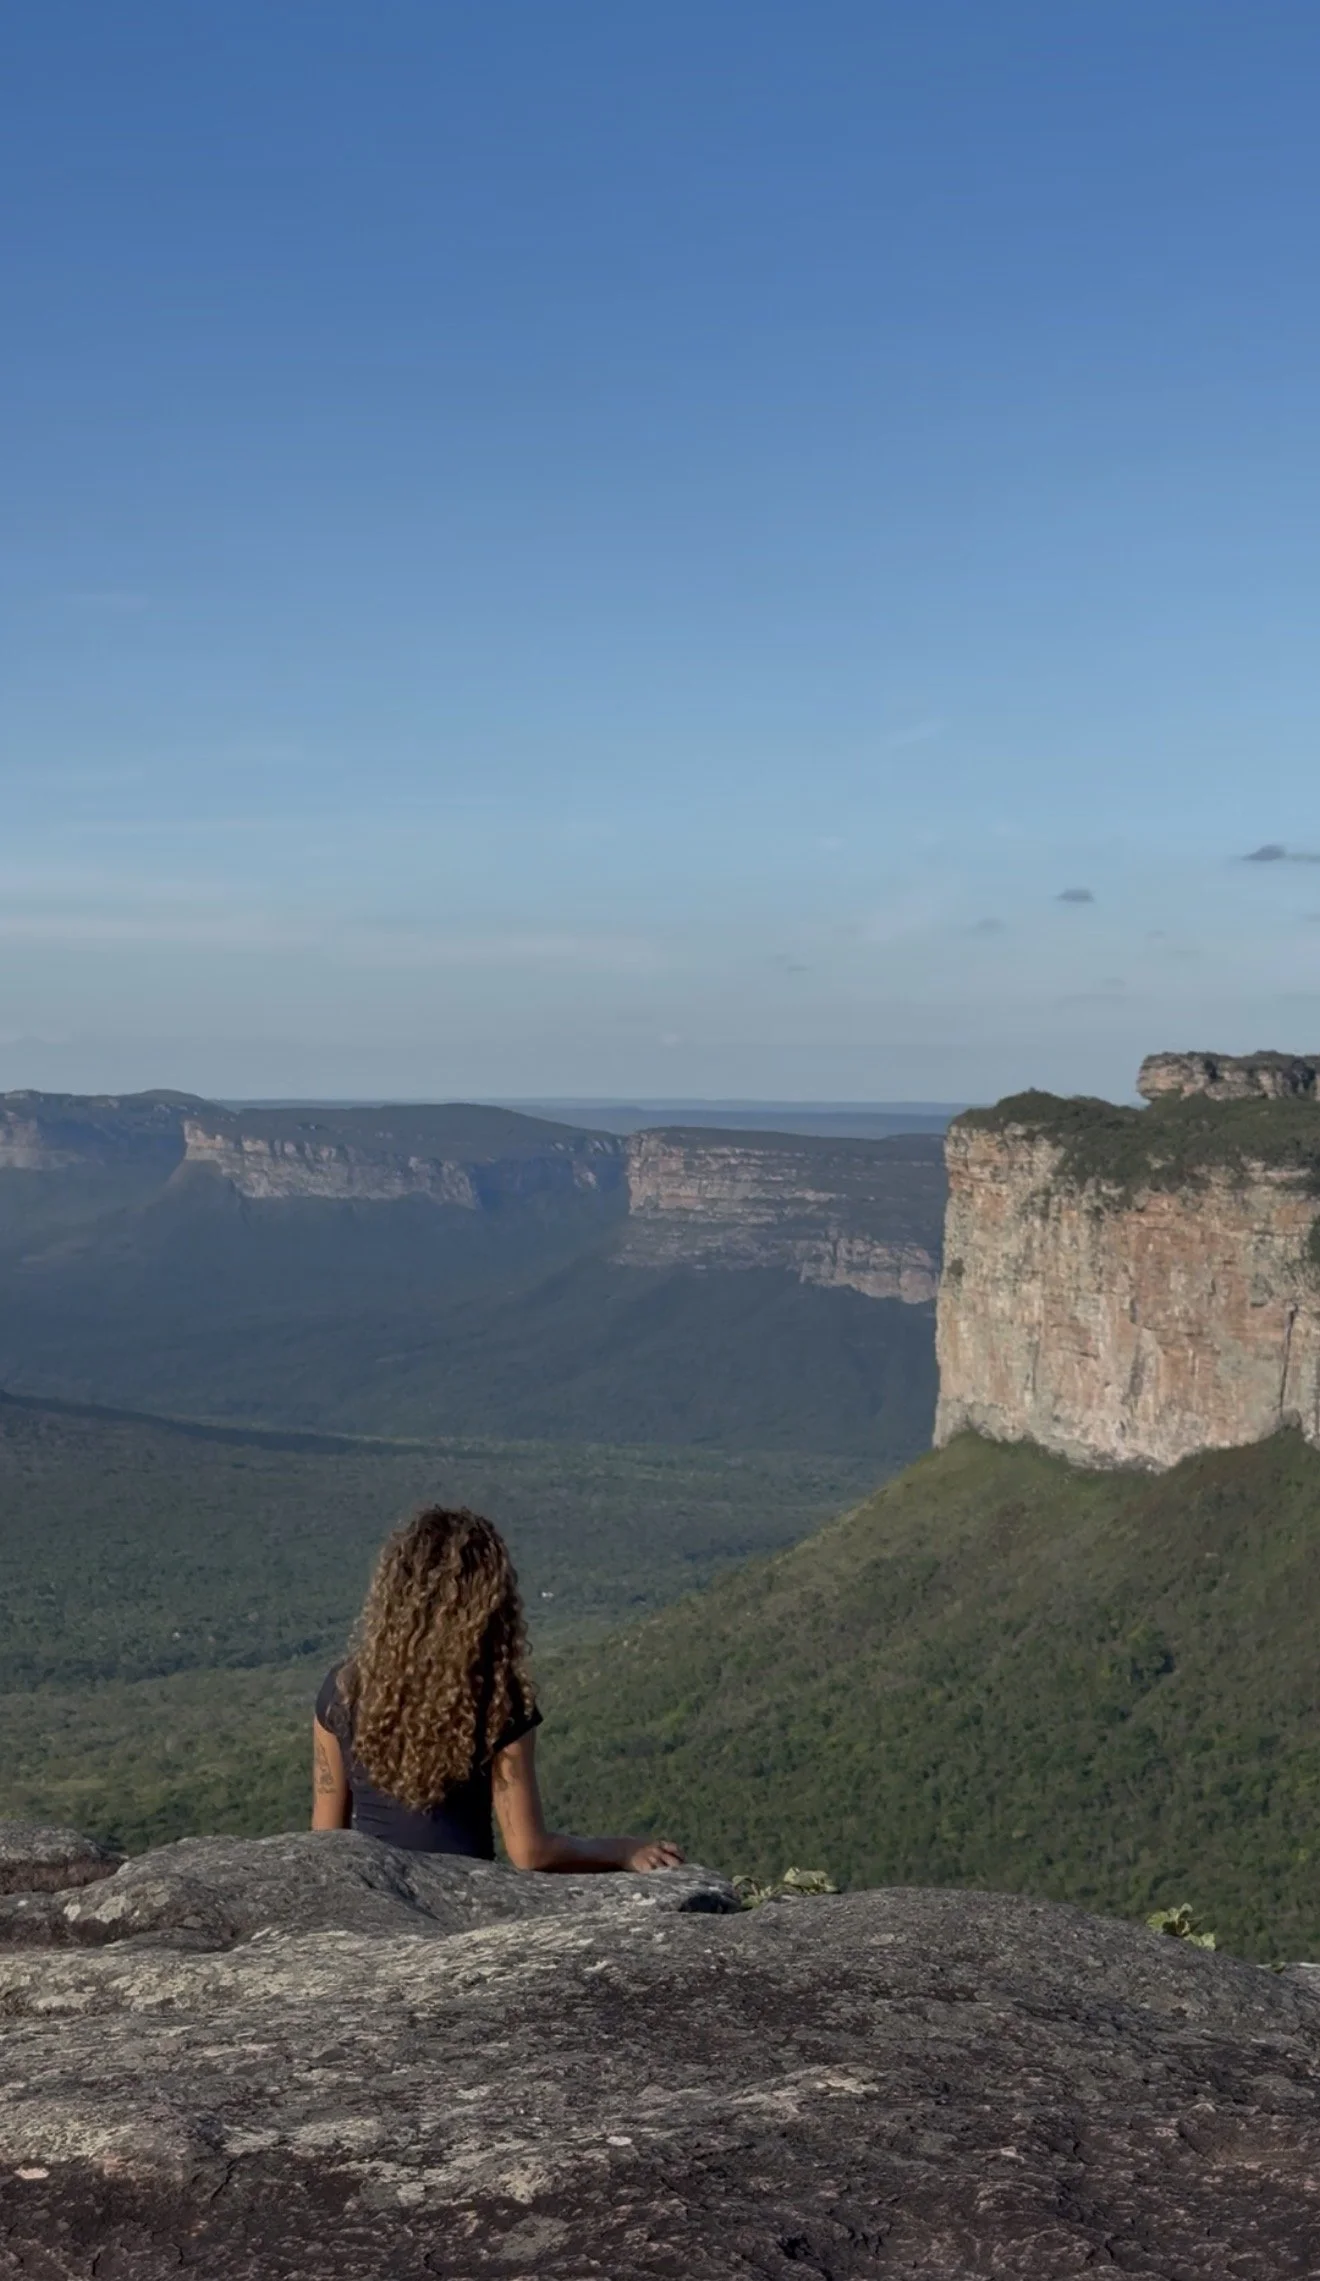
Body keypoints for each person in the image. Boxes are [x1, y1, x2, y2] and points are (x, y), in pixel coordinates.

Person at [312, 1503, 684, 1873]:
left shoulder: (342, 1690)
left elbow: (326, 1838)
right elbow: (529, 1851)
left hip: (377, 1893)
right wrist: (621, 1850)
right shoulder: (497, 1702)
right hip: (464, 1896)